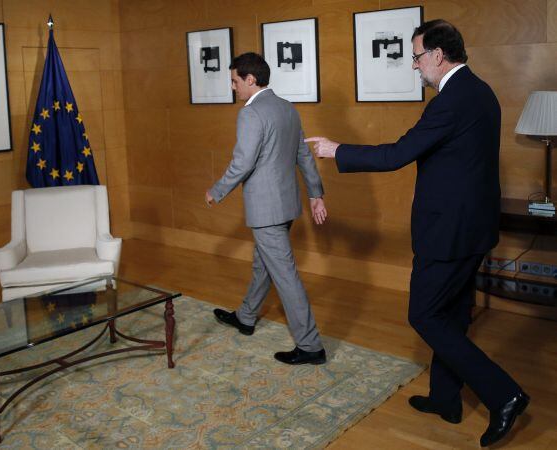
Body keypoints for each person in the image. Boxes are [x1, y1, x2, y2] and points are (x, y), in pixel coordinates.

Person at [305, 20, 528, 447]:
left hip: (447, 232)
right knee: (453, 315)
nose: (414, 66)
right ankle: (446, 399)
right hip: (474, 228)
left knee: (424, 315)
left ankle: (505, 394)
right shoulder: (481, 91)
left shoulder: (449, 101)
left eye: (417, 56)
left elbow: (397, 154)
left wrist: (338, 151)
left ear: (438, 56)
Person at [205, 52, 328, 365]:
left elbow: (242, 162)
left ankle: (311, 346)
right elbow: (303, 155)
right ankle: (246, 317)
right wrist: (315, 192)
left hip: (266, 209)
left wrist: (217, 190)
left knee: (284, 275)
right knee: (264, 264)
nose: (233, 87)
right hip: (287, 205)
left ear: (250, 79)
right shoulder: (287, 108)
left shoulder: (250, 114)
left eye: (235, 81)